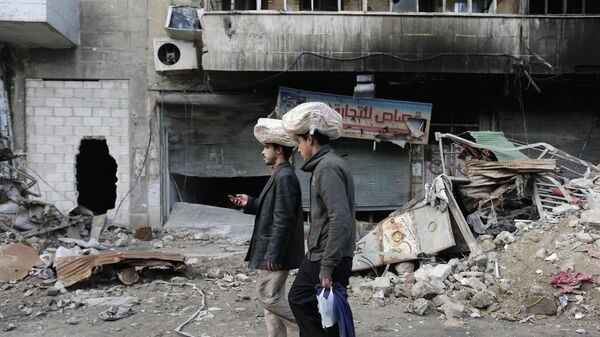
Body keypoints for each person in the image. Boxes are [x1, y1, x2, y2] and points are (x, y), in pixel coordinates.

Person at [282, 102, 356, 337]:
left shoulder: (327, 168)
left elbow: (340, 219)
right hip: (320, 253)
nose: (298, 148)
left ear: (311, 138)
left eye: (299, 142)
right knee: (321, 311)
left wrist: (327, 266)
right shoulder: (325, 166)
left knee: (307, 304)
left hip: (327, 256)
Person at [231, 118, 304, 337]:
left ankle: (312, 328)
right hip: (273, 250)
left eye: (266, 147)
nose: (262, 152)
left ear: (278, 149)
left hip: (276, 252)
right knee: (271, 305)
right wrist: (251, 203)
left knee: (267, 297)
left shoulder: (285, 176)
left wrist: (274, 253)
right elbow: (275, 209)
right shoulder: (279, 174)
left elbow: (283, 219)